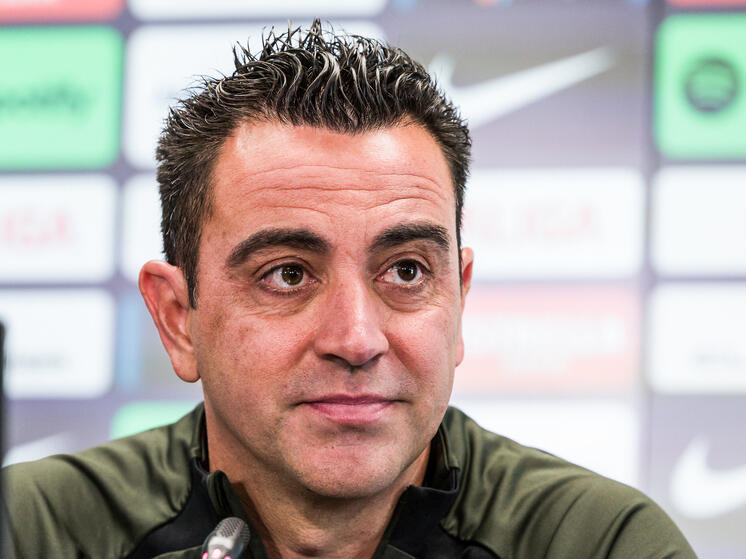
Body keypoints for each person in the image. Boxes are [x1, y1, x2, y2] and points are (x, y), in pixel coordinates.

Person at [3, 21, 696, 559]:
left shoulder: (598, 542)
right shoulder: (30, 531)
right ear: (179, 317)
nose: (357, 339)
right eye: (287, 274)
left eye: (406, 271)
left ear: (459, 303)